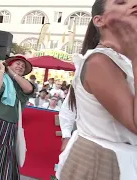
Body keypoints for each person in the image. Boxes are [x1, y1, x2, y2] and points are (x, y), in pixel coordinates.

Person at [56, 0, 137, 179]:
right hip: (104, 163)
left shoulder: (124, 61)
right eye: (122, 2)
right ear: (99, 20)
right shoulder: (99, 62)